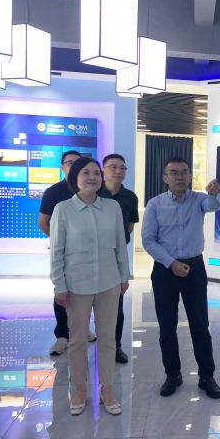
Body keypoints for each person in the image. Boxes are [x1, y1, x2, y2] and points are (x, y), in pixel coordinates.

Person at [50, 157, 129, 416]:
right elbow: (57, 251)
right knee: (77, 340)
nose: (92, 177)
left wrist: (123, 277)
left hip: (109, 282)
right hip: (77, 284)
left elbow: (120, 245)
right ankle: (80, 389)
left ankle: (107, 389)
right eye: (85, 172)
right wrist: (59, 284)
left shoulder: (112, 207)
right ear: (75, 177)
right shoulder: (63, 209)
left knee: (107, 338)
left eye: (96, 173)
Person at [141, 157, 220, 399]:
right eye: (174, 172)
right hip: (165, 270)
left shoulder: (199, 200)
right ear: (165, 177)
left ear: (190, 176)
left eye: (184, 172)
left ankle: (206, 376)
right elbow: (148, 240)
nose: (179, 176)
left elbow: (214, 205)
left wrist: (216, 192)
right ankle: (173, 374)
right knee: (167, 327)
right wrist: (171, 263)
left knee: (200, 325)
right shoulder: (155, 204)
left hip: (194, 268)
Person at [38, 150, 96, 355]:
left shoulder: (92, 190)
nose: (74, 166)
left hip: (90, 254)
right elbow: (43, 222)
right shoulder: (54, 192)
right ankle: (62, 335)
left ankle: (82, 328)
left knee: (86, 292)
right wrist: (61, 242)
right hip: (64, 253)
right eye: (70, 163)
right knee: (62, 292)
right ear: (62, 167)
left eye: (78, 163)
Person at [98, 153, 139, 364]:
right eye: (113, 167)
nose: (118, 171)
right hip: (91, 257)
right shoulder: (94, 193)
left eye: (122, 167)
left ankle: (115, 346)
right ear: (103, 170)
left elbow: (129, 227)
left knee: (116, 306)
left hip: (115, 257)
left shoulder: (130, 197)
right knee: (84, 305)